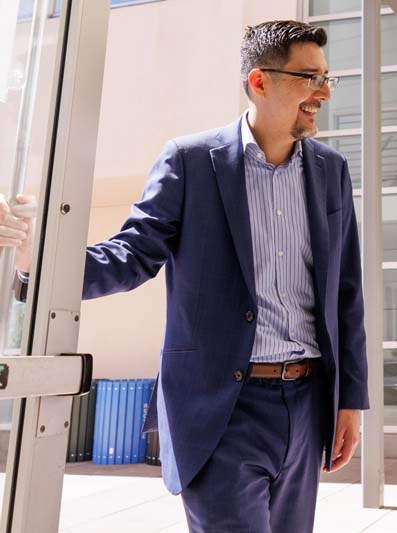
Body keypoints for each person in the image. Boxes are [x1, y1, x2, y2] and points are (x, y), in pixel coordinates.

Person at [2, 20, 368, 533]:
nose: (324, 93)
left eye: (328, 78)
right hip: (221, 409)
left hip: (307, 406)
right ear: (260, 81)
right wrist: (36, 267)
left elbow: (346, 293)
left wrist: (349, 400)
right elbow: (131, 255)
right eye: (310, 78)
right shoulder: (193, 162)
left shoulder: (331, 170)